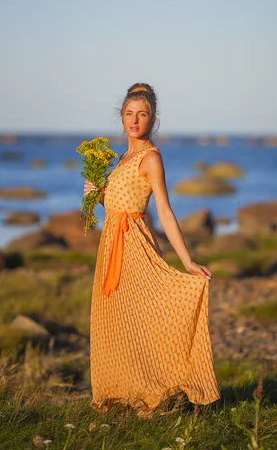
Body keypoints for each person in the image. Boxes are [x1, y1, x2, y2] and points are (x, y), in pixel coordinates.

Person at [83, 83, 221, 418]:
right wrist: (96, 193)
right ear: (122, 117)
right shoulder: (123, 157)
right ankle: (126, 394)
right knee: (116, 321)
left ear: (152, 119)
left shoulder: (150, 158)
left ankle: (169, 388)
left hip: (134, 247)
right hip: (111, 246)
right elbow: (117, 203)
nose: (135, 120)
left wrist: (187, 260)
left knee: (147, 318)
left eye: (142, 114)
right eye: (129, 114)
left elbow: (165, 210)